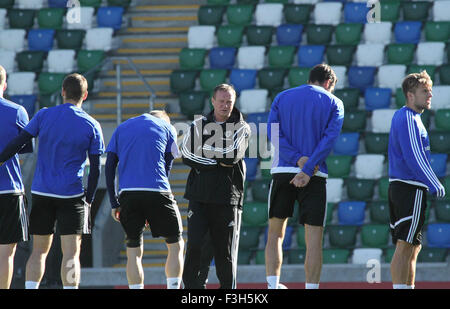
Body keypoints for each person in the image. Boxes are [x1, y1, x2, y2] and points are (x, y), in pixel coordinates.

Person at [0, 73, 105, 289]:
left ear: (63, 92)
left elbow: (18, 143)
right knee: (71, 253)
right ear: (84, 95)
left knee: (38, 251)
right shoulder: (92, 125)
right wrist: (90, 197)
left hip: (42, 192)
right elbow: (95, 168)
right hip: (72, 194)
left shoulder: (44, 115)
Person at [265, 64, 344, 289]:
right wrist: (308, 167)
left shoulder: (282, 96)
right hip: (315, 175)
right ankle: (311, 287)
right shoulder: (334, 102)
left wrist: (298, 159)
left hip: (283, 171)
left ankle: (273, 285)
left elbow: (272, 132)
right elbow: (329, 139)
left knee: (275, 234)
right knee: (314, 240)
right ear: (329, 83)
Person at [181, 83, 251, 289]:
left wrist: (205, 150)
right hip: (199, 197)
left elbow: (232, 156)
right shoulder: (198, 124)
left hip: (228, 199)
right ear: (213, 101)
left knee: (225, 254)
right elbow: (186, 154)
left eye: (229, 101)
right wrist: (215, 160)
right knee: (195, 248)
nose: (225, 105)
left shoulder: (242, 127)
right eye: (221, 101)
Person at [105, 110, 184, 289]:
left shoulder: (122, 127)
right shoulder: (168, 128)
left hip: (128, 194)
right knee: (176, 244)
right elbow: (167, 166)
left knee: (133, 250)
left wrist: (113, 202)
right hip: (158, 190)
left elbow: (109, 166)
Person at [388, 71, 445, 289]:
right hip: (409, 188)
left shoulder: (410, 118)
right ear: (410, 95)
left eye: (430, 91)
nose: (429, 95)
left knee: (413, 246)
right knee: (405, 245)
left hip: (405, 188)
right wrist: (434, 183)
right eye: (424, 91)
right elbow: (415, 157)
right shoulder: (409, 118)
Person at [0, 65, 33, 289]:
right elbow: (25, 150)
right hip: (9, 190)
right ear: (5, 83)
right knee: (6, 254)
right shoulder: (17, 111)